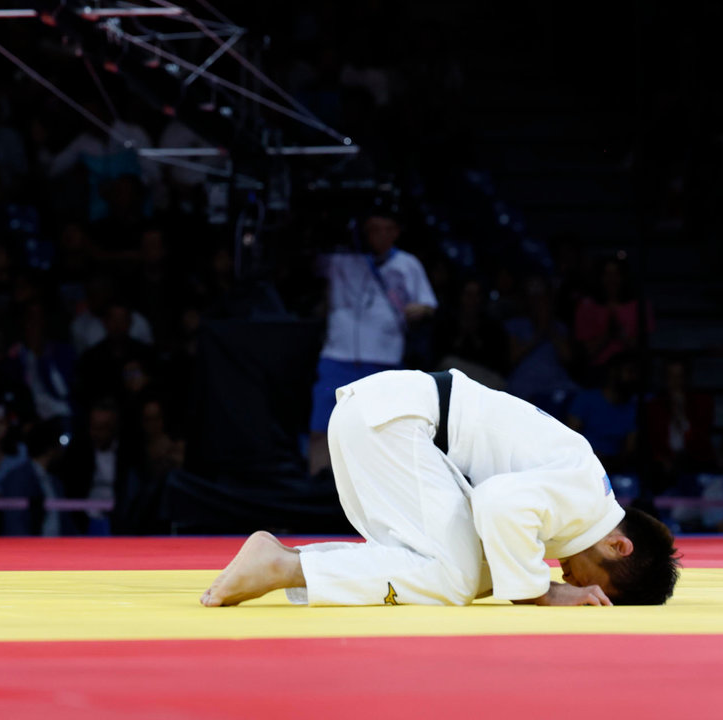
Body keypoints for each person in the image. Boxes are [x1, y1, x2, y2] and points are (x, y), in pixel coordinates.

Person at [201, 368, 679, 608]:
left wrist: (529, 580)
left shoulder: (581, 489)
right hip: (395, 426)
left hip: (381, 420)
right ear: (619, 545)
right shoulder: (583, 497)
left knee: (472, 569)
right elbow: (495, 504)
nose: (575, 582)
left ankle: (289, 561)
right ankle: (286, 566)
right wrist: (541, 593)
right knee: (458, 578)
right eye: (590, 582)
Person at [308, 208, 437, 475]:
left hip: (383, 359)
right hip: (337, 356)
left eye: (386, 229)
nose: (379, 235)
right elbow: (309, 264)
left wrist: (419, 310)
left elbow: (429, 305)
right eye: (373, 229)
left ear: (396, 232)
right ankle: (316, 488)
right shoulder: (340, 259)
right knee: (322, 428)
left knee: (383, 434)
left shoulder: (407, 264)